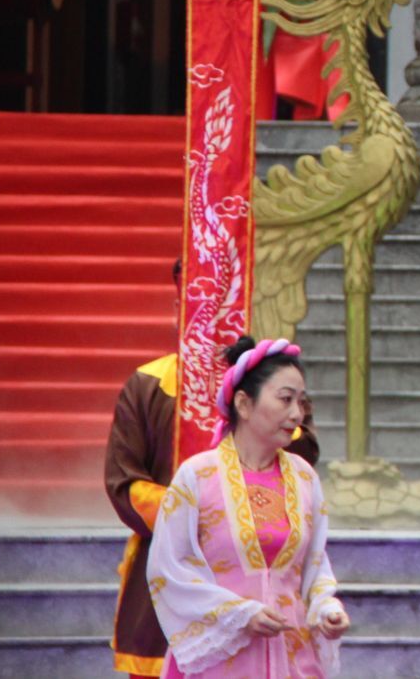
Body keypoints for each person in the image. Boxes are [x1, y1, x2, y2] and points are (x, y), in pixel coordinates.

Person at [105, 261, 320, 679]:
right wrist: (203, 514)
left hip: (261, 570)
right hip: (169, 568)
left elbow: (303, 453)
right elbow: (123, 482)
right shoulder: (149, 383)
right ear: (177, 307)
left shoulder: (269, 385)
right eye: (192, 303)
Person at [147, 337, 347, 677]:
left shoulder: (304, 478)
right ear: (243, 403)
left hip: (293, 657)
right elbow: (168, 569)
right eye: (285, 399)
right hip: (221, 661)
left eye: (301, 402)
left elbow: (315, 568)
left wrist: (326, 608)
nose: (297, 414)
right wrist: (237, 613)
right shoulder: (197, 476)